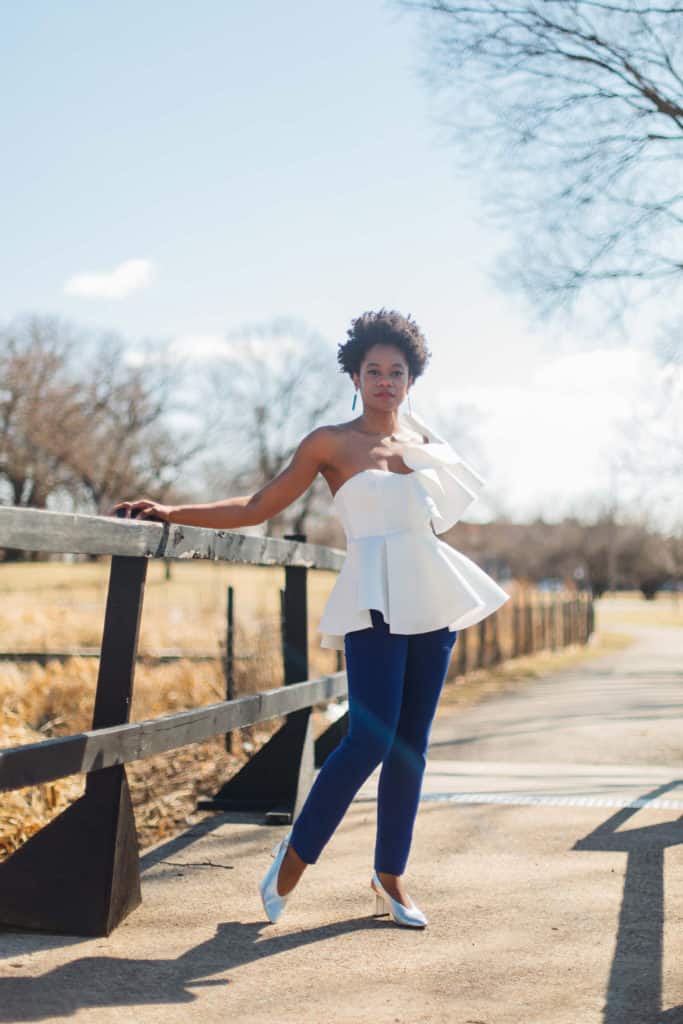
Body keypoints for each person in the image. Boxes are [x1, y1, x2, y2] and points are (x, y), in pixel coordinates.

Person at [111, 308, 509, 929]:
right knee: (370, 736)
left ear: (412, 380)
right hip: (371, 592)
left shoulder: (426, 447)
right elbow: (256, 505)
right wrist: (171, 511)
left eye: (396, 371)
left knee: (412, 748)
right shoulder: (330, 442)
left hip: (431, 593)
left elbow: (439, 522)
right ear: (354, 375)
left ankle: (390, 877)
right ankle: (295, 856)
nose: (385, 381)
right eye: (373, 370)